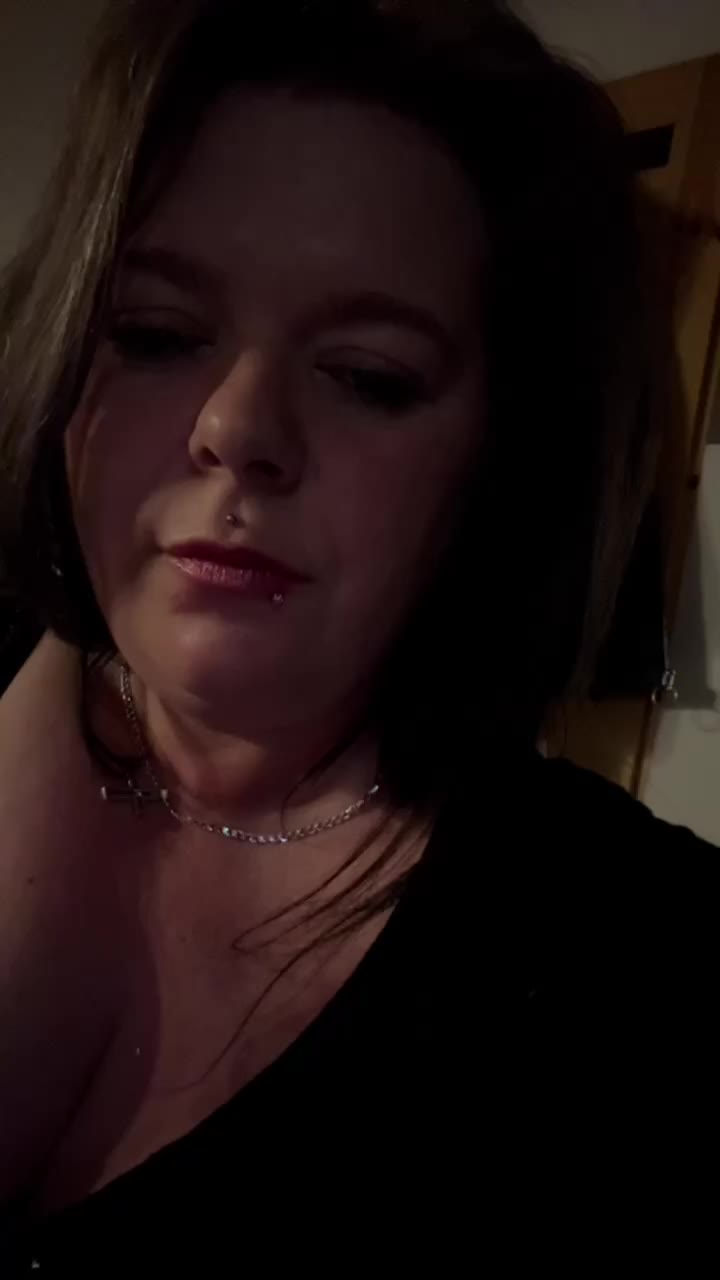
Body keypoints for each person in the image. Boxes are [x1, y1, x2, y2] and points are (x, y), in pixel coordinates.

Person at [0, 0, 715, 1269]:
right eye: (157, 333)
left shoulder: (634, 957)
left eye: (369, 374)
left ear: (500, 465)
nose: (236, 425)